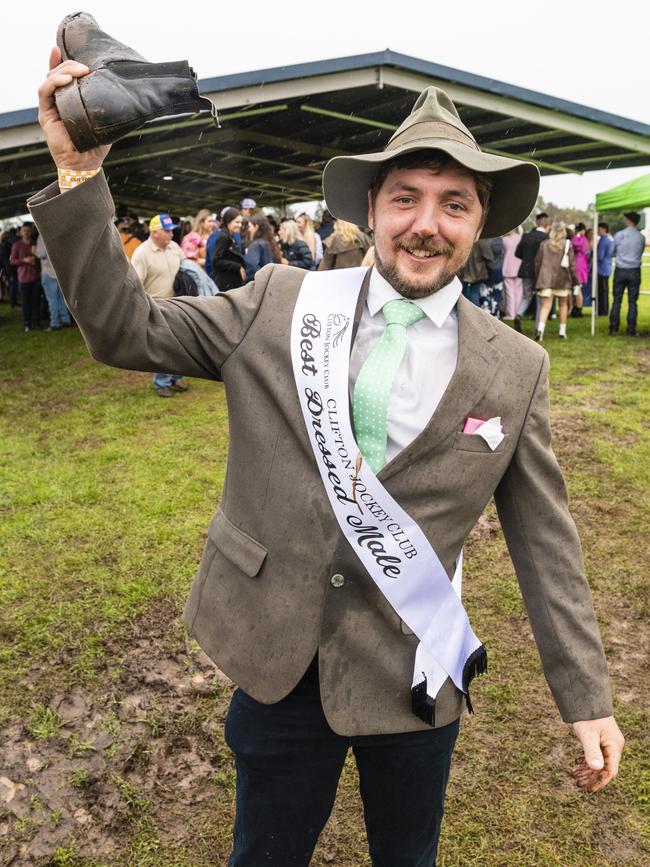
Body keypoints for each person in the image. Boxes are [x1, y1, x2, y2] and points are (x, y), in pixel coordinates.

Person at [33, 54, 624, 865]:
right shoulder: (279, 304)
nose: (428, 223)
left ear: (480, 220)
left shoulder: (517, 367)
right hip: (276, 657)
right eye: (406, 198)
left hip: (414, 673)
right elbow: (120, 327)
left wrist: (585, 694)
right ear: (372, 211)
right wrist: (77, 172)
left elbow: (546, 542)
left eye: (455, 204)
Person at [131, 214, 189, 397]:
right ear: (155, 233)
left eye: (172, 230)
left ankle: (176, 377)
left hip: (177, 303)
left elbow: (186, 267)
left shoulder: (174, 247)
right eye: (167, 231)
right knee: (161, 346)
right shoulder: (142, 253)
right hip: (156, 306)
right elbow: (135, 284)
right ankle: (161, 383)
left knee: (179, 343)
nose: (171, 234)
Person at [533, 221, 578, 341]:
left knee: (545, 306)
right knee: (563, 305)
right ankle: (562, 331)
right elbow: (572, 266)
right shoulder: (568, 245)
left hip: (546, 279)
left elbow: (537, 263)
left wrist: (538, 278)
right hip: (562, 279)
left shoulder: (544, 244)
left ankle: (540, 330)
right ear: (563, 231)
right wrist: (576, 280)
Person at [609, 211, 645, 336]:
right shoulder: (641, 237)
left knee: (616, 300)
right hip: (634, 270)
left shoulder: (619, 235)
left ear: (629, 220)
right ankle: (631, 329)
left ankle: (613, 328)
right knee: (632, 301)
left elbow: (611, 252)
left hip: (620, 269)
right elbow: (640, 252)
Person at [514, 212, 549, 331]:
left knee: (526, 296)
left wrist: (527, 258)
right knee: (540, 298)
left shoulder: (526, 236)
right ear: (543, 222)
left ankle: (519, 314)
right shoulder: (546, 238)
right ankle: (538, 326)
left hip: (526, 269)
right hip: (540, 272)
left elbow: (517, 253)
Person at [35, 234, 71, 330]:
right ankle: (66, 320)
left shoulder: (42, 234)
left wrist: (34, 251)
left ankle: (55, 323)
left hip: (48, 272)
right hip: (60, 272)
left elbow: (41, 253)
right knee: (61, 298)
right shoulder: (58, 233)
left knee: (52, 300)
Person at [9, 224, 41, 333]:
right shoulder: (17, 245)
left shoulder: (35, 243)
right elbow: (12, 260)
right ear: (21, 233)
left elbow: (40, 258)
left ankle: (36, 322)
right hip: (23, 278)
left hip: (36, 276)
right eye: (24, 231)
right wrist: (24, 260)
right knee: (26, 302)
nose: (26, 233)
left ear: (31, 232)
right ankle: (27, 323)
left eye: (28, 231)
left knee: (36, 301)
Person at [211, 208, 247, 291]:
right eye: (237, 222)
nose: (240, 225)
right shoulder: (224, 237)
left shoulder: (229, 235)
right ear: (228, 221)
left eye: (241, 223)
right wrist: (238, 266)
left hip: (229, 283)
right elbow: (216, 261)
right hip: (226, 285)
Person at [243, 214, 281, 281]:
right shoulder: (270, 243)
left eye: (249, 226)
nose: (248, 229)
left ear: (256, 227)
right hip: (272, 281)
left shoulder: (255, 245)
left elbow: (252, 267)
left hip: (260, 283)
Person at [501, 228, 523, 320]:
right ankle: (518, 312)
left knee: (509, 292)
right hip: (519, 267)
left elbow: (502, 253)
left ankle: (511, 313)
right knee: (519, 292)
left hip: (507, 267)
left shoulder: (504, 240)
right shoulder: (521, 238)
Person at [570, 223, 589, 317]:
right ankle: (577, 307)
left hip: (578, 266)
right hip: (582, 265)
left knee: (577, 289)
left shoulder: (578, 239)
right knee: (577, 289)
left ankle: (578, 308)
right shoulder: (585, 239)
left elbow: (575, 245)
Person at [596, 222, 614, 317]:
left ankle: (602, 311)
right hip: (607, 267)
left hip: (601, 268)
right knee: (605, 291)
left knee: (601, 291)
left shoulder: (603, 240)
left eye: (599, 229)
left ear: (603, 229)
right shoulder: (610, 239)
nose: (598, 231)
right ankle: (605, 310)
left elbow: (600, 256)